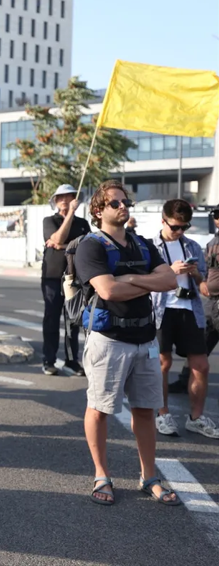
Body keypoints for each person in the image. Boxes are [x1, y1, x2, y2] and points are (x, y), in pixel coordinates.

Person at [74, 180, 179, 506]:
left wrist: (131, 279)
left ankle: (149, 476)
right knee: (100, 409)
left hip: (146, 339)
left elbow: (171, 279)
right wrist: (147, 284)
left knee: (146, 411)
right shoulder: (90, 246)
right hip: (109, 341)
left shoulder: (143, 244)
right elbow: (107, 291)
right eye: (115, 203)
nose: (123, 207)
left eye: (125, 202)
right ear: (98, 210)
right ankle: (101, 474)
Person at [150, 199, 218, 439]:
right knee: (162, 363)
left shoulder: (192, 246)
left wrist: (196, 274)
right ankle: (162, 413)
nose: (180, 232)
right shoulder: (151, 247)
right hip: (162, 309)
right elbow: (145, 281)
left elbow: (201, 282)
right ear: (163, 221)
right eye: (175, 227)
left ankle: (196, 418)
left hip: (190, 308)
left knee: (201, 365)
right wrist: (171, 270)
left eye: (184, 227)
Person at [41, 184, 91, 376]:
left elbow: (86, 247)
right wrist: (69, 215)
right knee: (51, 319)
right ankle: (49, 359)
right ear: (55, 201)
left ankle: (72, 360)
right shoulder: (49, 221)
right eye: (60, 198)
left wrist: (62, 246)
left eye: (68, 197)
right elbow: (56, 236)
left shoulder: (83, 224)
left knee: (73, 321)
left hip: (75, 278)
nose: (64, 201)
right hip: (52, 277)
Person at [174, 206, 219, 394]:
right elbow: (207, 269)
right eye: (216, 216)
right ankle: (186, 380)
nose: (218, 219)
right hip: (210, 300)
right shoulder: (213, 242)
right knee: (200, 344)